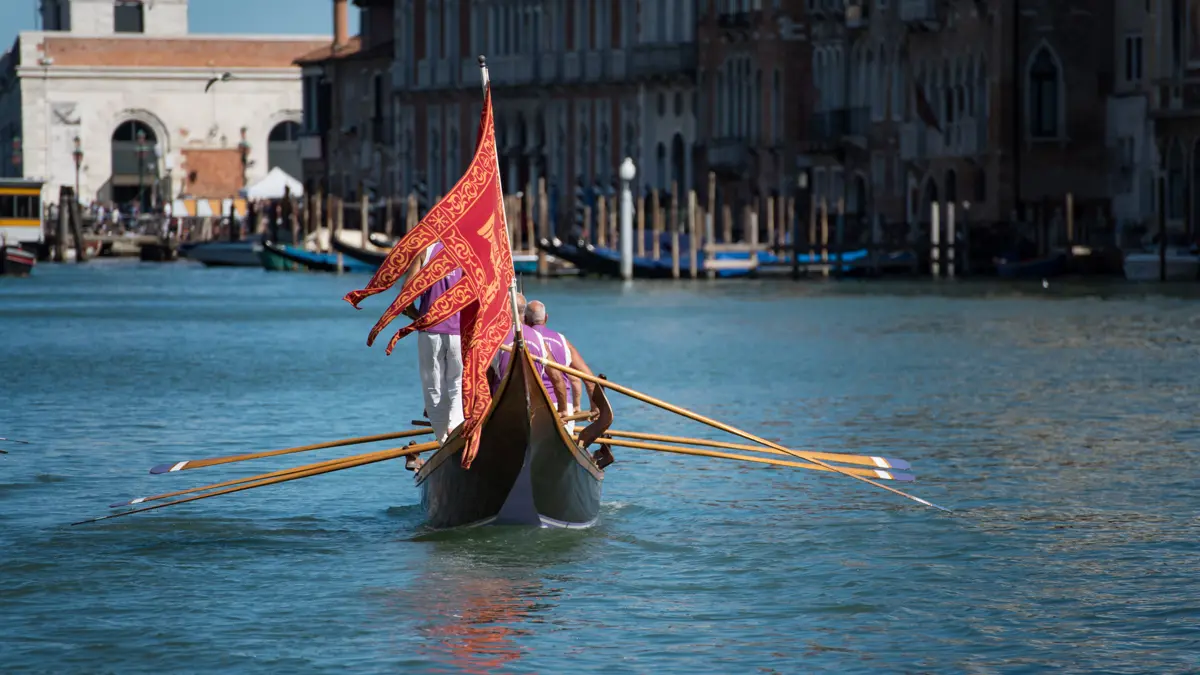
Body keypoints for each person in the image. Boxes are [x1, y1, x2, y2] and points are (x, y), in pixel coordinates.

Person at [523, 300, 612, 468]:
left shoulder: (523, 339)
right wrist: (595, 409)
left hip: (532, 409)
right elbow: (589, 378)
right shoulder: (562, 341)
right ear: (546, 318)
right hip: (564, 413)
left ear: (525, 320)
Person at [404, 241, 465, 468]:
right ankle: (455, 426)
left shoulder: (425, 251)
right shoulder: (467, 250)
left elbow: (406, 295)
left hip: (429, 330)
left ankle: (443, 442)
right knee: (456, 383)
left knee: (433, 385)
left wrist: (418, 316)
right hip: (458, 332)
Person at [492, 293, 567, 415]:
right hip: (535, 409)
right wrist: (563, 410)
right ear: (525, 315)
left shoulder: (496, 337)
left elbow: (486, 379)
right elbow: (557, 377)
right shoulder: (538, 337)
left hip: (504, 410)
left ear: (504, 310)